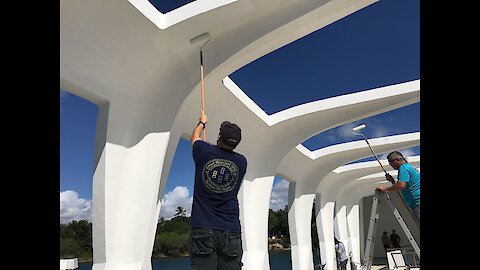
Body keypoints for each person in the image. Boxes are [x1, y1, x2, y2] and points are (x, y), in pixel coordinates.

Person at [189, 110, 248, 270]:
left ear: (219, 137)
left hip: (203, 227)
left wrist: (202, 122)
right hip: (230, 229)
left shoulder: (204, 151)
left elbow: (195, 137)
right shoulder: (242, 162)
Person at [376, 151, 420, 225]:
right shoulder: (409, 167)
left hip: (417, 204)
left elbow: (401, 186)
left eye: (390, 163)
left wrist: (385, 189)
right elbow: (404, 185)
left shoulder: (403, 168)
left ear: (397, 160)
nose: (391, 165)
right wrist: (392, 181)